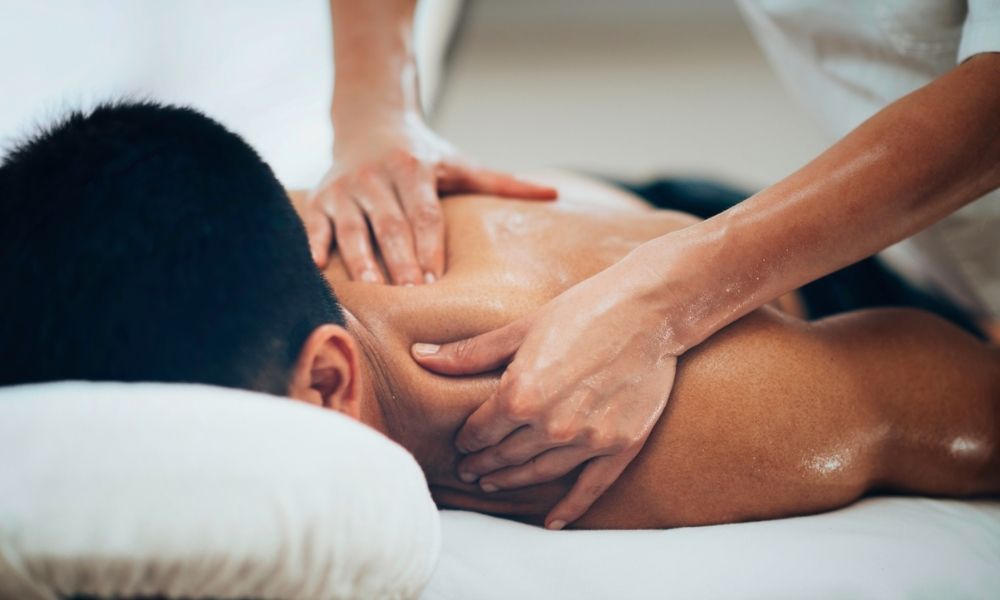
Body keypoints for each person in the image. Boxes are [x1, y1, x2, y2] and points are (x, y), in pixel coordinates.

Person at [2, 103, 997, 530]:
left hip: (824, 282)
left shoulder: (672, 437)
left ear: (332, 382)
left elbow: (960, 400)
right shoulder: (238, 246)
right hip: (581, 203)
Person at [309, 0, 1000, 528]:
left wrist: (667, 300)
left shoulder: (718, 413)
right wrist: (375, 106)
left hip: (763, 279)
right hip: (648, 214)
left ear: (326, 380)